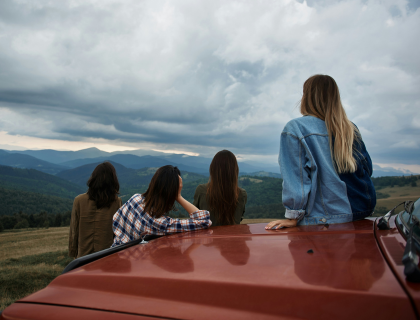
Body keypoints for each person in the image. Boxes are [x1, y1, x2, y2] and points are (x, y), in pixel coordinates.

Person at [266, 74, 376, 229]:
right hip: (361, 212)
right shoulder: (350, 129)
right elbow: (367, 170)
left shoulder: (296, 128)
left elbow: (297, 180)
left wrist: (293, 216)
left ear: (307, 97)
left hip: (325, 219)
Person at [112, 165, 211, 246]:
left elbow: (115, 220)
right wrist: (178, 196)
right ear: (171, 193)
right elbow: (204, 221)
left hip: (113, 254)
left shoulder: (135, 198)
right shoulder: (159, 223)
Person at [69, 162, 122, 258]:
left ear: (93, 179)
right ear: (113, 181)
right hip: (106, 257)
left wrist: (73, 253)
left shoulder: (79, 200)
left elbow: (74, 230)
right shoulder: (116, 202)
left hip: (83, 258)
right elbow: (118, 233)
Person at [193, 150, 247, 226]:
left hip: (207, 237)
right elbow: (240, 217)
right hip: (233, 237)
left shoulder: (201, 190)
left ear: (212, 168)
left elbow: (194, 216)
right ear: (235, 170)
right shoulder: (241, 193)